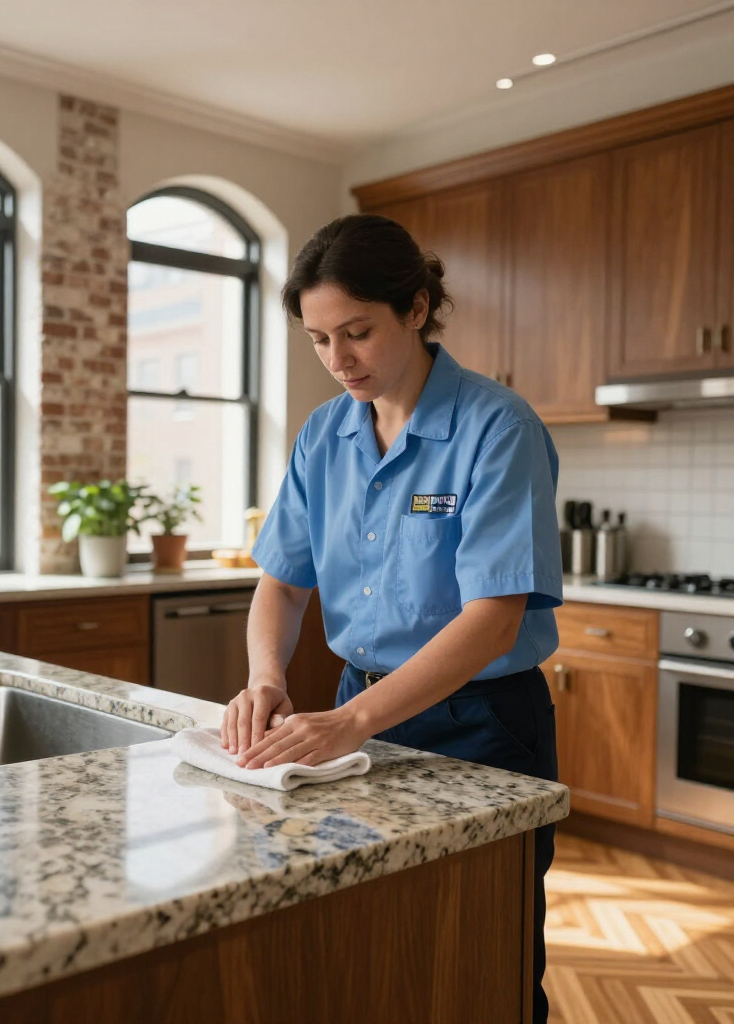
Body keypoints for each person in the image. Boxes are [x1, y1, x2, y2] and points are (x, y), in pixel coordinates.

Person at [220, 214, 562, 1023]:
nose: (339, 360)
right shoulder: (324, 434)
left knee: (480, 957)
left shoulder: (496, 427)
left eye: (358, 332)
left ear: (416, 308)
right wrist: (265, 677)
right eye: (317, 339)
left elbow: (492, 621)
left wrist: (348, 723)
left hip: (481, 725)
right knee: (370, 947)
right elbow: (282, 582)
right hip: (358, 719)